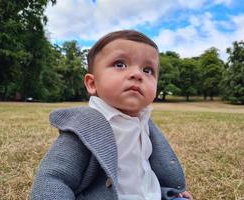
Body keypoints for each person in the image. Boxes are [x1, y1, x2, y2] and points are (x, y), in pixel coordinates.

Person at [30, 30, 193, 200]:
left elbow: (150, 166)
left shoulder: (145, 121)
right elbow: (54, 178)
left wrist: (170, 190)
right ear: (92, 84)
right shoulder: (84, 127)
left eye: (148, 70)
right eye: (120, 64)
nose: (137, 74)